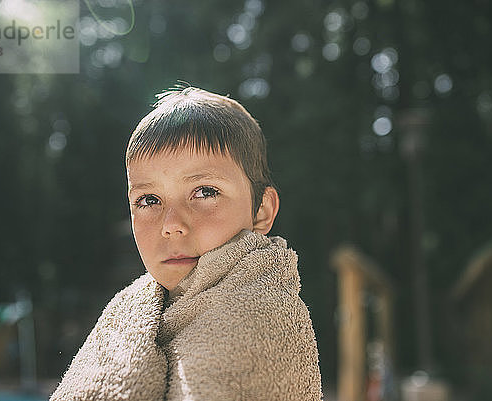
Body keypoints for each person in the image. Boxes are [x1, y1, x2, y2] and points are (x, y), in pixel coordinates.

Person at [50, 86, 322, 400]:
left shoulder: (262, 317)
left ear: (262, 210)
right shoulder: (129, 311)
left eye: (205, 192)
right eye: (149, 200)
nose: (172, 225)